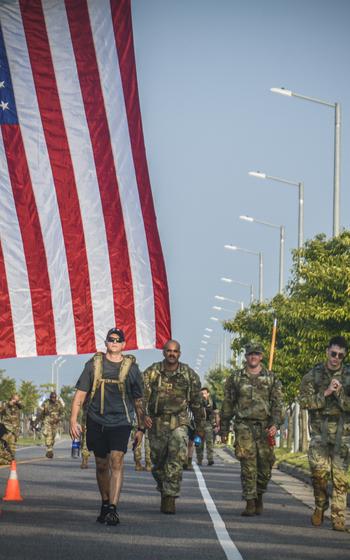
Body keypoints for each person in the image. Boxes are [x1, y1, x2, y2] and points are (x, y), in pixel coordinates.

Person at [70, 328, 146, 526]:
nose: (114, 342)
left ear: (123, 344)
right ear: (106, 343)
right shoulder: (93, 365)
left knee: (117, 461)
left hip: (121, 422)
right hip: (96, 420)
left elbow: (138, 400)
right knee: (101, 464)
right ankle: (105, 503)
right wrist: (73, 420)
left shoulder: (132, 368)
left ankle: (113, 508)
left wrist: (141, 428)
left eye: (118, 340)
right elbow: (80, 395)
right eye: (110, 339)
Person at [220, 342, 284, 516]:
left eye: (256, 354)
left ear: (261, 356)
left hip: (265, 426)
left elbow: (278, 404)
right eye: (250, 354)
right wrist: (224, 429)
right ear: (246, 357)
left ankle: (259, 494)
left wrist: (275, 424)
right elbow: (228, 404)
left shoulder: (271, 378)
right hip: (244, 426)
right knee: (248, 465)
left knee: (265, 466)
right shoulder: (235, 378)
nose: (253, 357)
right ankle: (249, 500)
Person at [143, 339, 205, 514]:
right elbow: (141, 396)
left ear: (179, 353)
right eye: (169, 351)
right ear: (164, 352)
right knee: (157, 462)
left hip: (179, 422)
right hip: (156, 423)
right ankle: (164, 487)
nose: (172, 354)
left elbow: (197, 403)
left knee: (176, 459)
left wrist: (200, 426)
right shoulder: (153, 372)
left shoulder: (188, 374)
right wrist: (143, 417)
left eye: (175, 351)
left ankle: (170, 497)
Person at [300, 335, 350, 532]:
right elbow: (304, 402)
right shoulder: (313, 376)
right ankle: (320, 504)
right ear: (327, 351)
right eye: (333, 353)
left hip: (343, 434)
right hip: (320, 433)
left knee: (341, 479)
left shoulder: (348, 376)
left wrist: (339, 394)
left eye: (340, 355)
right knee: (319, 474)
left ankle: (338, 519)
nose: (336, 358)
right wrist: (327, 393)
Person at [196, 387, 219, 466]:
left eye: (204, 393)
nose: (203, 395)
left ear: (208, 393)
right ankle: (199, 459)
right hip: (199, 424)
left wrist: (217, 425)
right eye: (201, 393)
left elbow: (216, 414)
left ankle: (210, 459)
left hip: (209, 424)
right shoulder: (198, 402)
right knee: (198, 443)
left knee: (209, 442)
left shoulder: (212, 402)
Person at [37, 391, 64, 458]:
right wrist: (40, 420)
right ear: (50, 397)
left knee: (53, 436)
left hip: (55, 422)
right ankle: (49, 450)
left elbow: (63, 413)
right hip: (47, 421)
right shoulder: (46, 403)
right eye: (52, 397)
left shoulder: (59, 403)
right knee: (48, 435)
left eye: (54, 397)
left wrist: (59, 418)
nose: (53, 398)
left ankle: (50, 447)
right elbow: (42, 411)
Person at [0, 394, 22, 465]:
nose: (17, 401)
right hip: (5, 429)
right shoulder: (5, 404)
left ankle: (10, 459)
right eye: (15, 399)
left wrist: (17, 402)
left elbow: (22, 406)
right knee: (4, 445)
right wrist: (8, 404)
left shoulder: (17, 406)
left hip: (14, 430)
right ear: (11, 398)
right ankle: (6, 459)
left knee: (12, 449)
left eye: (17, 399)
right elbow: (2, 408)